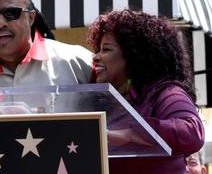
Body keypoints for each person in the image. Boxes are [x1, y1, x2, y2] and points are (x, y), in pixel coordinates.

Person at [87, 9, 205, 173]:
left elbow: (192, 132)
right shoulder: (104, 100)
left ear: (134, 55)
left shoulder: (166, 93)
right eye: (97, 50)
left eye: (106, 49)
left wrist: (131, 133)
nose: (96, 57)